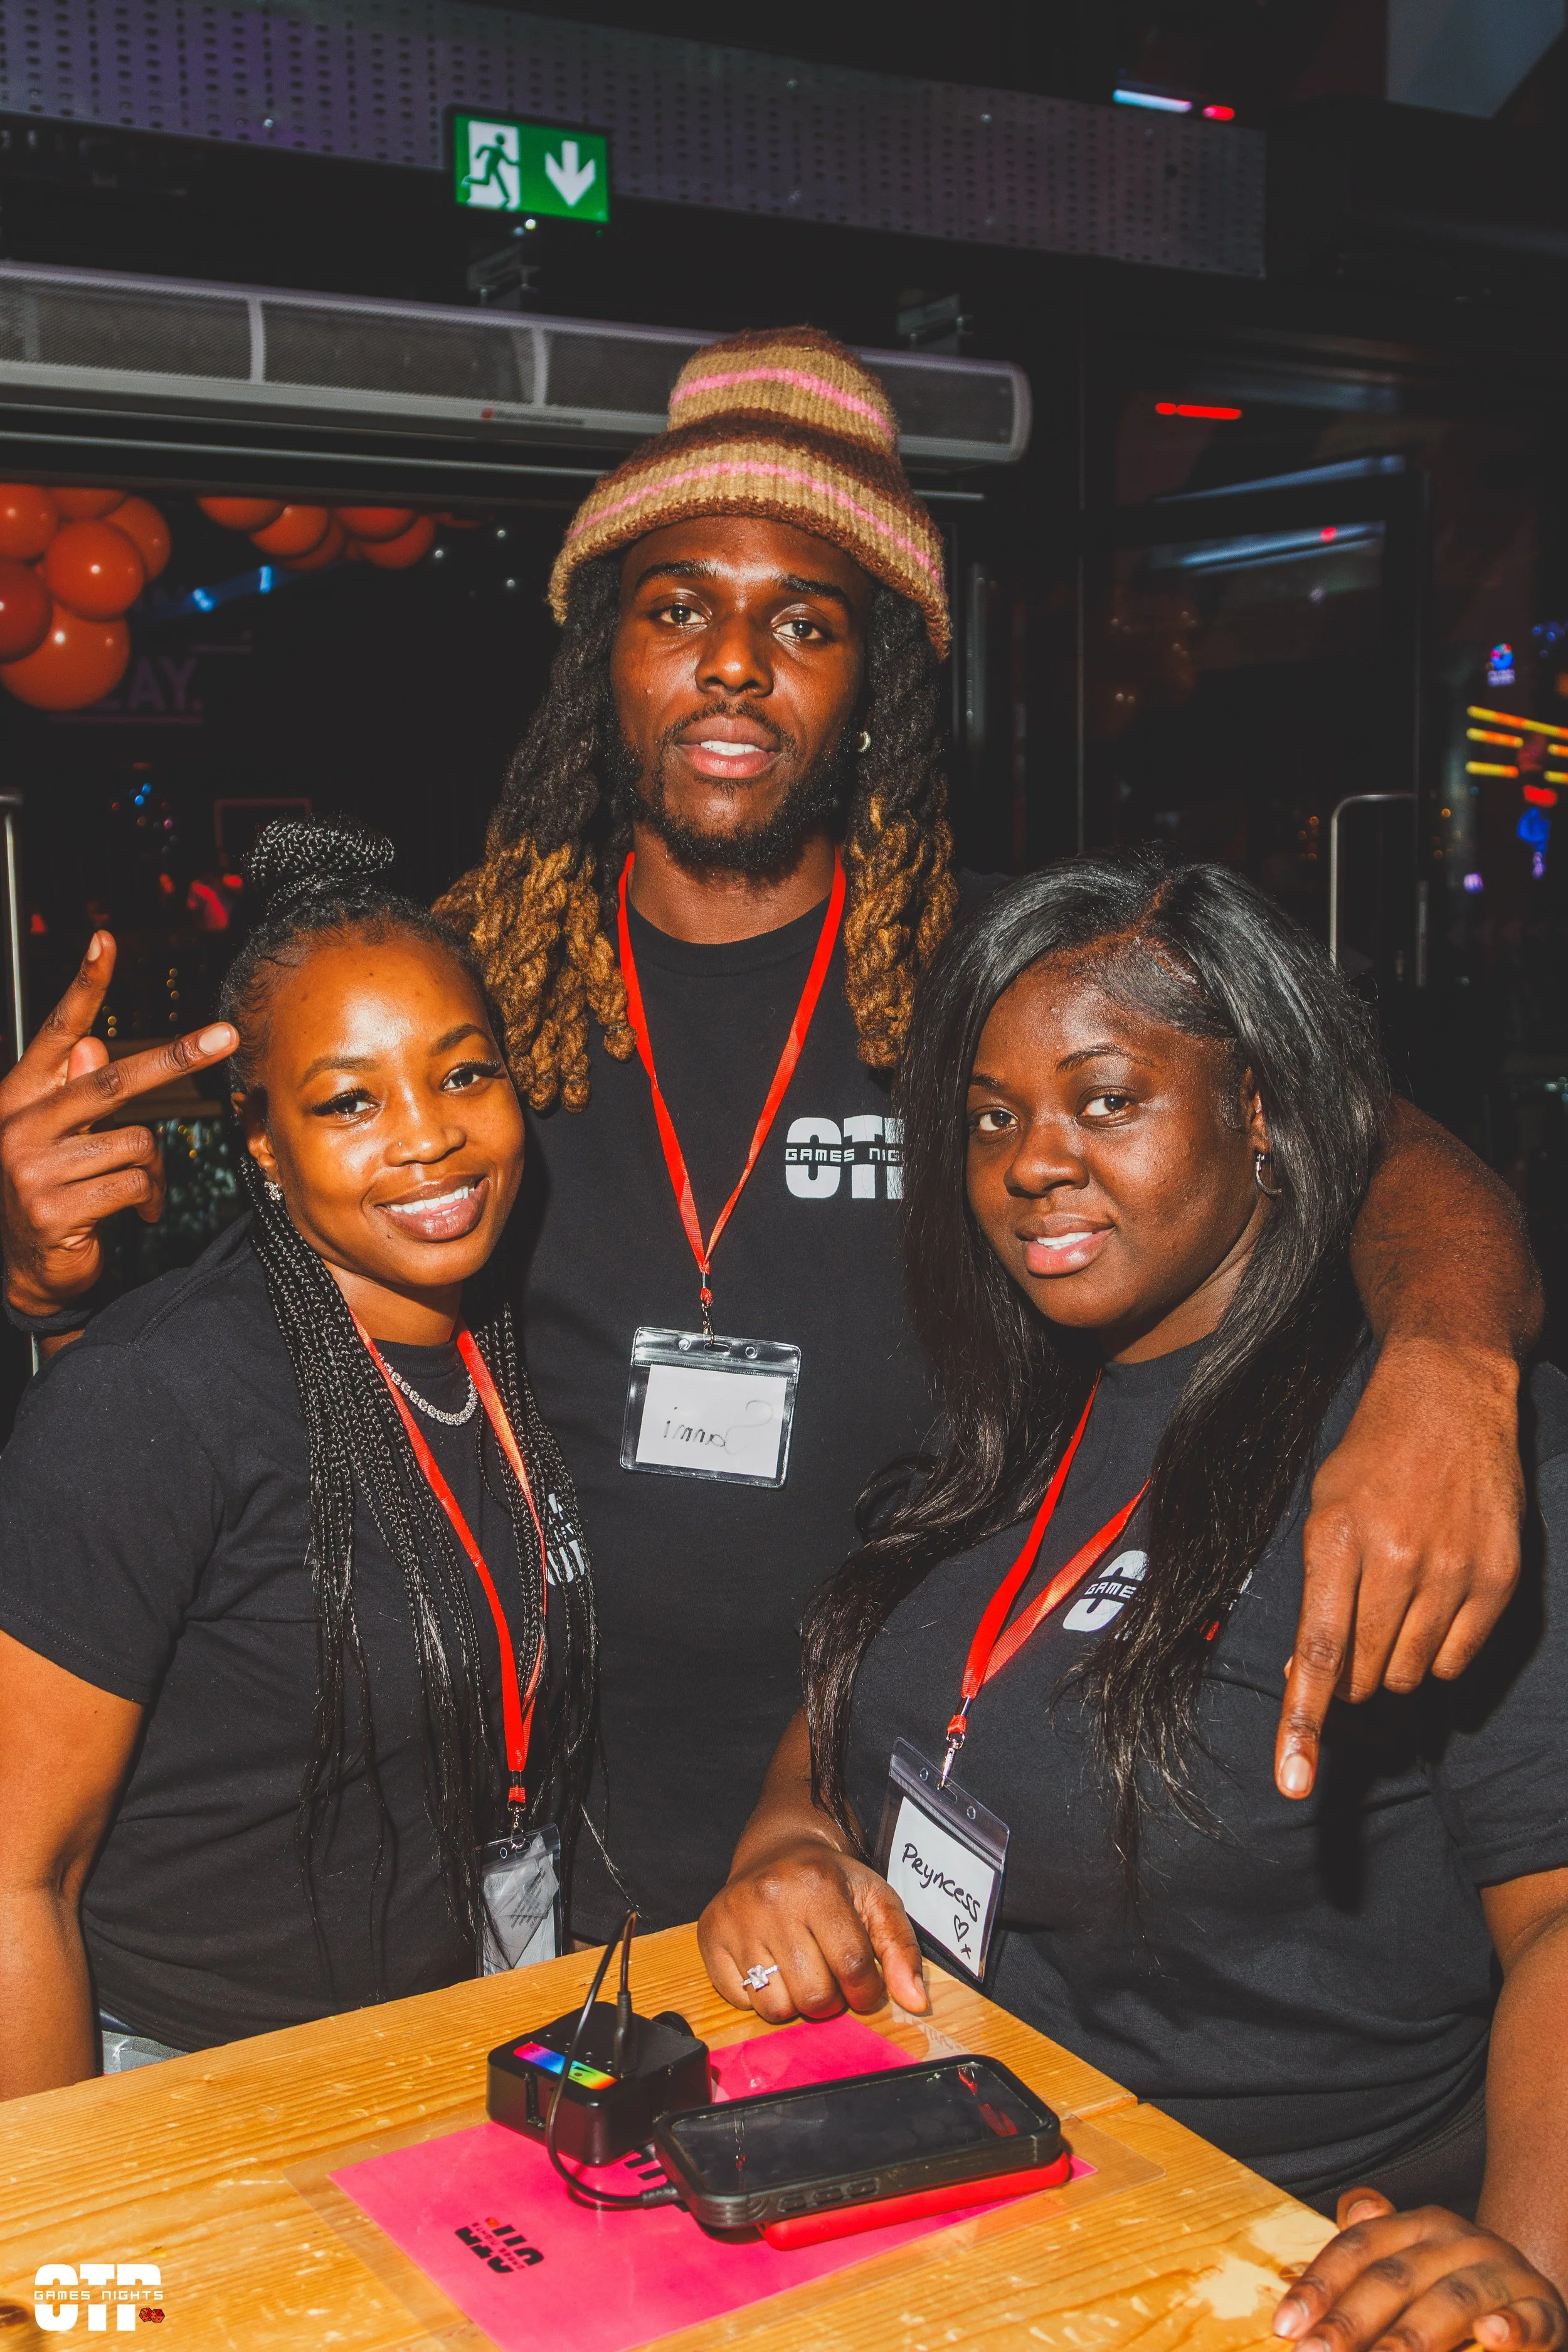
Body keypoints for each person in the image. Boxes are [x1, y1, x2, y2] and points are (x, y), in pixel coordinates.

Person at [0, 330, 1542, 1943]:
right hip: (519, 1836)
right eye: (678, 611)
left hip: (888, 1812)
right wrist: (38, 1273)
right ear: (608, 660)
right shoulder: (475, 990)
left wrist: (1448, 1362)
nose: (732, 662)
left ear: (870, 684)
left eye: (801, 623)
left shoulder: (1013, 986)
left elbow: (1379, 1152)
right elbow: (236, 1311)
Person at [699, 855, 1568, 2345]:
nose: (1031, 1161)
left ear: (1259, 1115)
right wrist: (790, 1835)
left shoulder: (1414, 1452)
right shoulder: (1016, 1399)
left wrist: (1519, 2256)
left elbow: (1555, 1909)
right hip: (975, 2199)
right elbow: (887, 1693)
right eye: (992, 1118)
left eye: (1105, 1101)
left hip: (1266, 2263)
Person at [0, 818, 596, 2095]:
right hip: (183, 2084)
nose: (428, 1137)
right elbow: (13, 1878)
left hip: (431, 2058)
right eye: (348, 1101)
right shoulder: (159, 1399)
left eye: (464, 1074)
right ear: (262, 1146)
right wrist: (56, 2253)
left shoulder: (503, 1332)